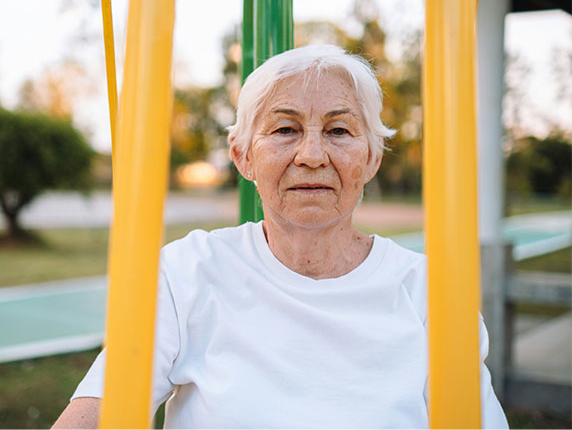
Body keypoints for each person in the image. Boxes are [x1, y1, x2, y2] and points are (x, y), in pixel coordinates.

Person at [52, 44, 508, 429]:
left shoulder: (431, 294)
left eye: (339, 130)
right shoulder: (187, 271)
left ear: (371, 158)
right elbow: (98, 409)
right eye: (285, 129)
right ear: (243, 156)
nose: (311, 155)